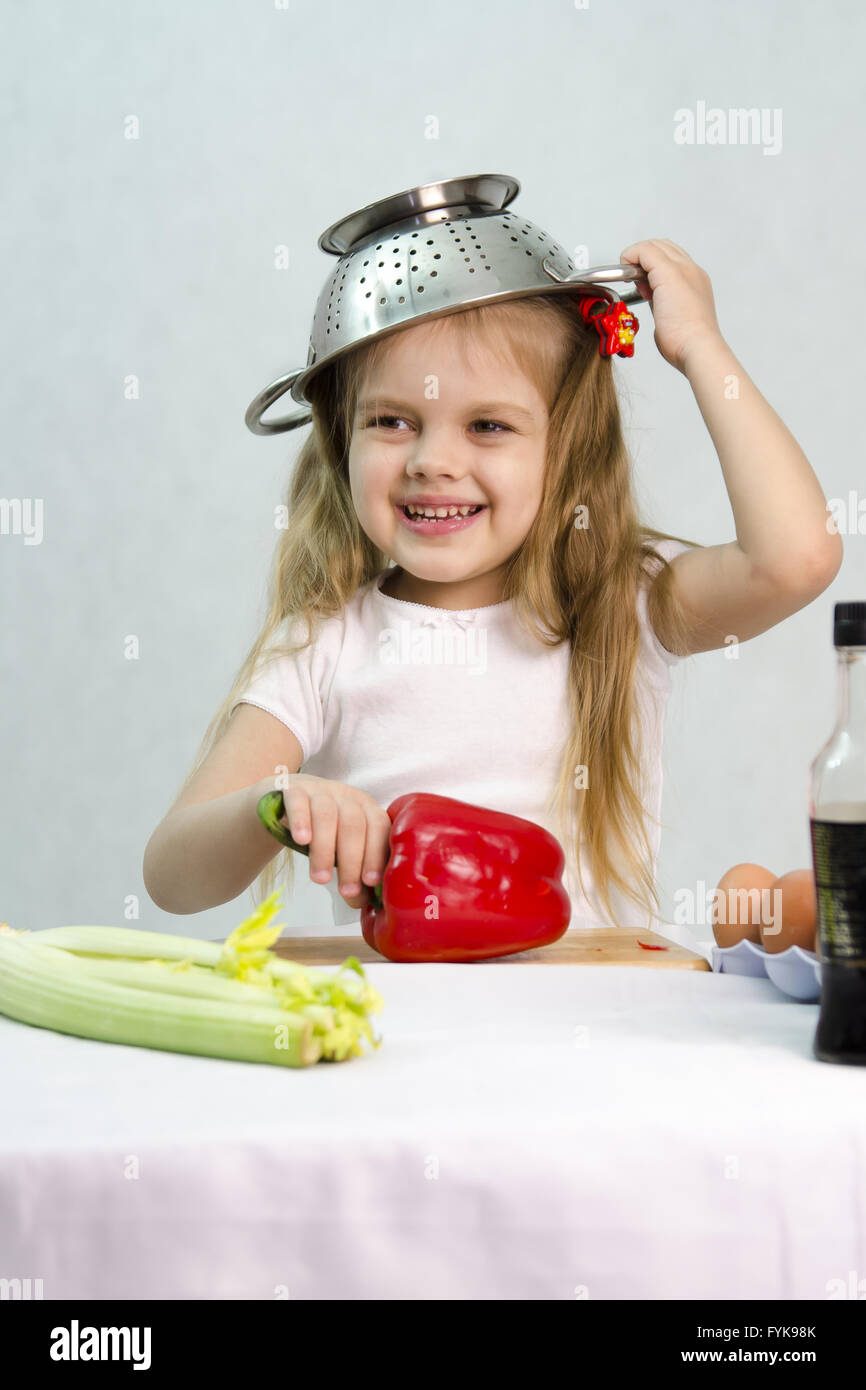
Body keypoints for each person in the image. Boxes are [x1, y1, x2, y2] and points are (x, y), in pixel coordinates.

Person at [142, 238, 842, 936]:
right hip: (409, 1036)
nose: (432, 461)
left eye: (488, 425)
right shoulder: (327, 642)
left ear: (564, 446)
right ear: (339, 440)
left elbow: (796, 559)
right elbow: (173, 875)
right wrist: (276, 801)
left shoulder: (621, 603)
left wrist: (700, 349)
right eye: (391, 421)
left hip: (601, 1026)